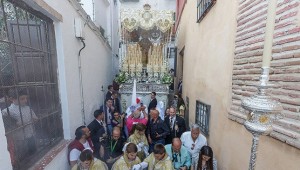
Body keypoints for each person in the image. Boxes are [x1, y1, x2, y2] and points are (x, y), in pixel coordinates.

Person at [1, 89, 38, 161]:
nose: (25, 100)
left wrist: (34, 120)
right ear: (12, 99)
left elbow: (35, 119)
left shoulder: (28, 108)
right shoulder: (7, 111)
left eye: (26, 98)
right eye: (22, 99)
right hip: (19, 140)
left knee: (33, 154)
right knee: (21, 157)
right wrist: (15, 125)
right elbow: (7, 127)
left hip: (31, 135)